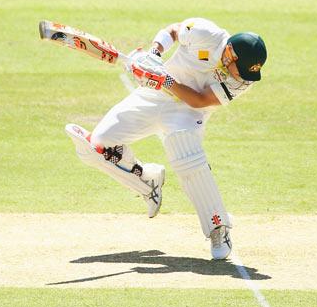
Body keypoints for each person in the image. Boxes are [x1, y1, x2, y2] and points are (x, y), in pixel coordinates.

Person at [65, 18, 267, 260]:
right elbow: (172, 31)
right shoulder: (205, 33)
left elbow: (199, 101)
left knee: (186, 155)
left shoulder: (242, 80)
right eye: (240, 68)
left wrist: (165, 80)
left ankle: (218, 227)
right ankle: (146, 181)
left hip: (188, 111)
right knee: (95, 147)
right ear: (230, 54)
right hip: (153, 96)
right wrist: (153, 55)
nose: (242, 76)